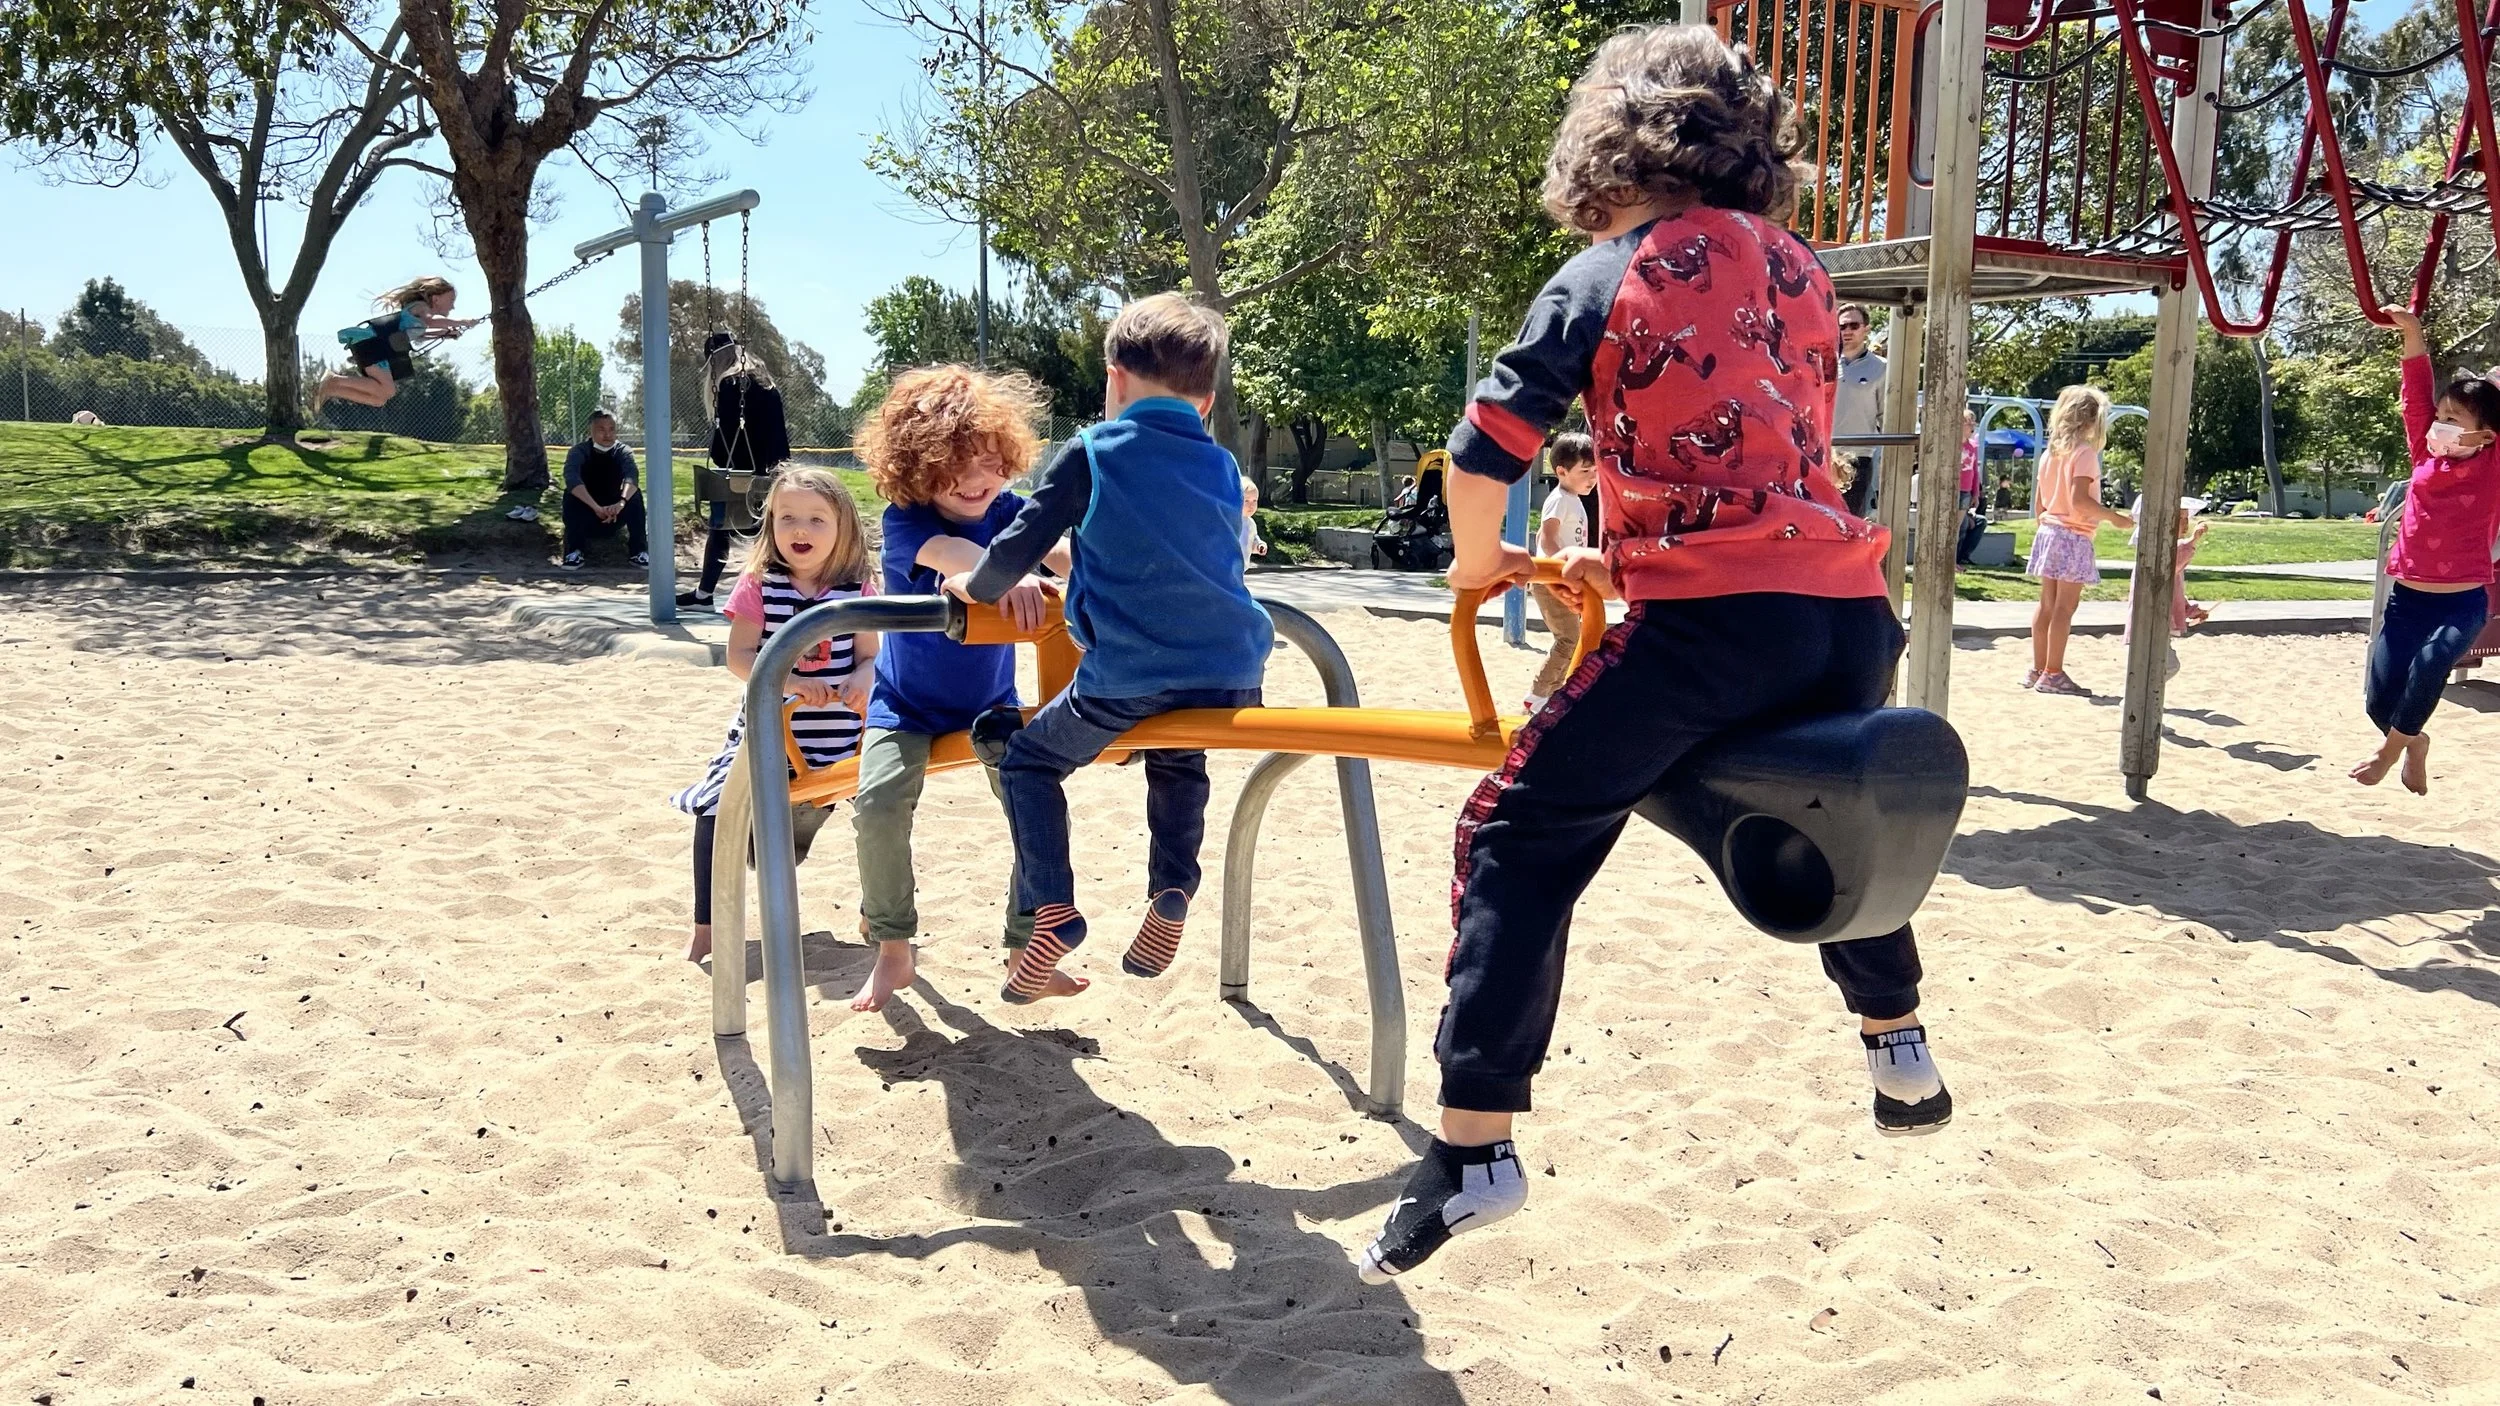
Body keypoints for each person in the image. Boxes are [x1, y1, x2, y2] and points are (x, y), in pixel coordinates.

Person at [1357, 23, 1951, 1286]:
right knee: (1821, 802)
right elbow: (1741, 457)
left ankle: (1472, 1147)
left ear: (1604, 154)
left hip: (1714, 623)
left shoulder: (1610, 267)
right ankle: (1896, 1036)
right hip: (1844, 606)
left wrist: (1476, 565)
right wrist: (1618, 562)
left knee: (1518, 830)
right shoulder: (1800, 267)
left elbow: (1486, 449)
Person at [942, 293, 1274, 1003]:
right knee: (1179, 760)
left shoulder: (1094, 450)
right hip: (1232, 670)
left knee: (1029, 762)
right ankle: (1174, 888)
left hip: (1130, 675)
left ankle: (1054, 909)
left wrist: (977, 586)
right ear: (1206, 402)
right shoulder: (1218, 466)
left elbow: (1020, 541)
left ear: (1113, 380)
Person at [847, 366, 1073, 1011]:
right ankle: (894, 949)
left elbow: (1059, 553)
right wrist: (1007, 572)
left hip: (989, 706)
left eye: (992, 463)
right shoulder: (907, 521)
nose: (978, 482)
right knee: (881, 804)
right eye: (955, 468)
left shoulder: (1008, 511)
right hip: (906, 705)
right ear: (916, 469)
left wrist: (1096, 574)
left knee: (1034, 799)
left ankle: (1026, 943)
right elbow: (952, 556)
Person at [670, 468, 877, 964]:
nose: (799, 530)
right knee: (714, 809)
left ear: (843, 527)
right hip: (766, 737)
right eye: (787, 518)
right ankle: (708, 926)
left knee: (882, 811)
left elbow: (871, 656)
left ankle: (879, 913)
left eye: (815, 519)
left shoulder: (857, 590)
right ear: (770, 525)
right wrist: (790, 681)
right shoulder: (760, 585)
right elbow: (740, 657)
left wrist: (861, 681)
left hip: (837, 739)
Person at [2350, 310, 2500, 794]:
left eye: (2454, 419)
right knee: (2379, 703)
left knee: (2432, 665)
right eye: (2440, 417)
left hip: (2461, 602)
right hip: (2407, 600)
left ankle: (2389, 752)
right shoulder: (2424, 453)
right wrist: (2413, 334)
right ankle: (2413, 742)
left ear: (2487, 434)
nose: (2440, 425)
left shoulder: (2495, 465)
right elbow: (2414, 396)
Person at [2023, 384, 2133, 696]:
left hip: (2049, 531)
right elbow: (2081, 501)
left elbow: (2040, 503)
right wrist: (2114, 517)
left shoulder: (2051, 453)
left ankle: (2038, 667)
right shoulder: (2084, 454)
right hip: (2072, 534)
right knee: (2064, 608)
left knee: (2046, 605)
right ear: (2091, 421)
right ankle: (2054, 672)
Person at [681, 332, 791, 609]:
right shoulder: (766, 382)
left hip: (740, 470)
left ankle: (705, 593)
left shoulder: (731, 384)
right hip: (773, 469)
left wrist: (718, 453)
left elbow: (727, 438)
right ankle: (783, 592)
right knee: (769, 532)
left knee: (721, 528)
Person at [314, 277, 478, 415]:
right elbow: (431, 322)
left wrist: (445, 334)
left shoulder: (420, 318)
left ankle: (332, 389)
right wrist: (462, 322)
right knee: (388, 390)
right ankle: (334, 379)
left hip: (380, 350)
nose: (453, 306)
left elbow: (418, 336)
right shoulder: (422, 308)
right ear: (436, 299)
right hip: (372, 345)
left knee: (380, 399)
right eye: (451, 300)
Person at [1525, 432, 1600, 713]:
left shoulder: (1574, 499)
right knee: (1568, 638)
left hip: (1561, 579)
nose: (1592, 477)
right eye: (1585, 471)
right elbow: (1546, 537)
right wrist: (1562, 567)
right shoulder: (1559, 499)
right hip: (1551, 580)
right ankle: (1537, 694)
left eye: (1595, 471)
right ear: (1561, 471)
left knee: (1574, 638)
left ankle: (1553, 696)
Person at [557, 409, 650, 570]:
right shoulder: (579, 451)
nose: (607, 434)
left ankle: (639, 551)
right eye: (601, 429)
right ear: (590, 431)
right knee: (570, 495)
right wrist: (596, 508)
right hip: (587, 513)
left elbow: (632, 477)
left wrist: (621, 503)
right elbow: (572, 479)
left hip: (615, 513)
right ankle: (574, 552)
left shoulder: (623, 451)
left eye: (611, 429)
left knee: (635, 495)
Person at [2122, 494, 2211, 642]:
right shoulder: (2156, 552)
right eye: (2180, 519)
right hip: (2151, 621)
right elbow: (2171, 563)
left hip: (2161, 620)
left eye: (2186, 518)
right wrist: (2193, 540)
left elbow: (2174, 590)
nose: (2186, 523)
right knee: (2160, 660)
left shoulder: (2170, 547)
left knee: (2167, 661)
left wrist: (2191, 611)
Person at [1832, 302, 1885, 515]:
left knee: (1850, 520)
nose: (1847, 331)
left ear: (1866, 329)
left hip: (1858, 457)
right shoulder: (1823, 362)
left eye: (1853, 325)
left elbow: (1887, 417)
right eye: (1842, 326)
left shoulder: (1881, 367)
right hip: (1824, 455)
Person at [1954, 410, 1988, 568]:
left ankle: (1956, 559)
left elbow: (1974, 470)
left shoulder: (1973, 446)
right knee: (1952, 527)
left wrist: (1976, 493)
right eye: (1969, 423)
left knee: (1959, 527)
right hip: (1952, 489)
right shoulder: (1953, 446)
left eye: (1974, 423)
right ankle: (1950, 560)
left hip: (1965, 491)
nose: (1972, 427)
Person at [1239, 474, 1269, 566]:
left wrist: (1259, 546)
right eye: (1246, 501)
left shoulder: (1251, 523)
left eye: (1254, 501)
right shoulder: (1229, 520)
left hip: (1241, 568)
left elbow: (1252, 541)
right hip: (1227, 567)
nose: (1251, 505)